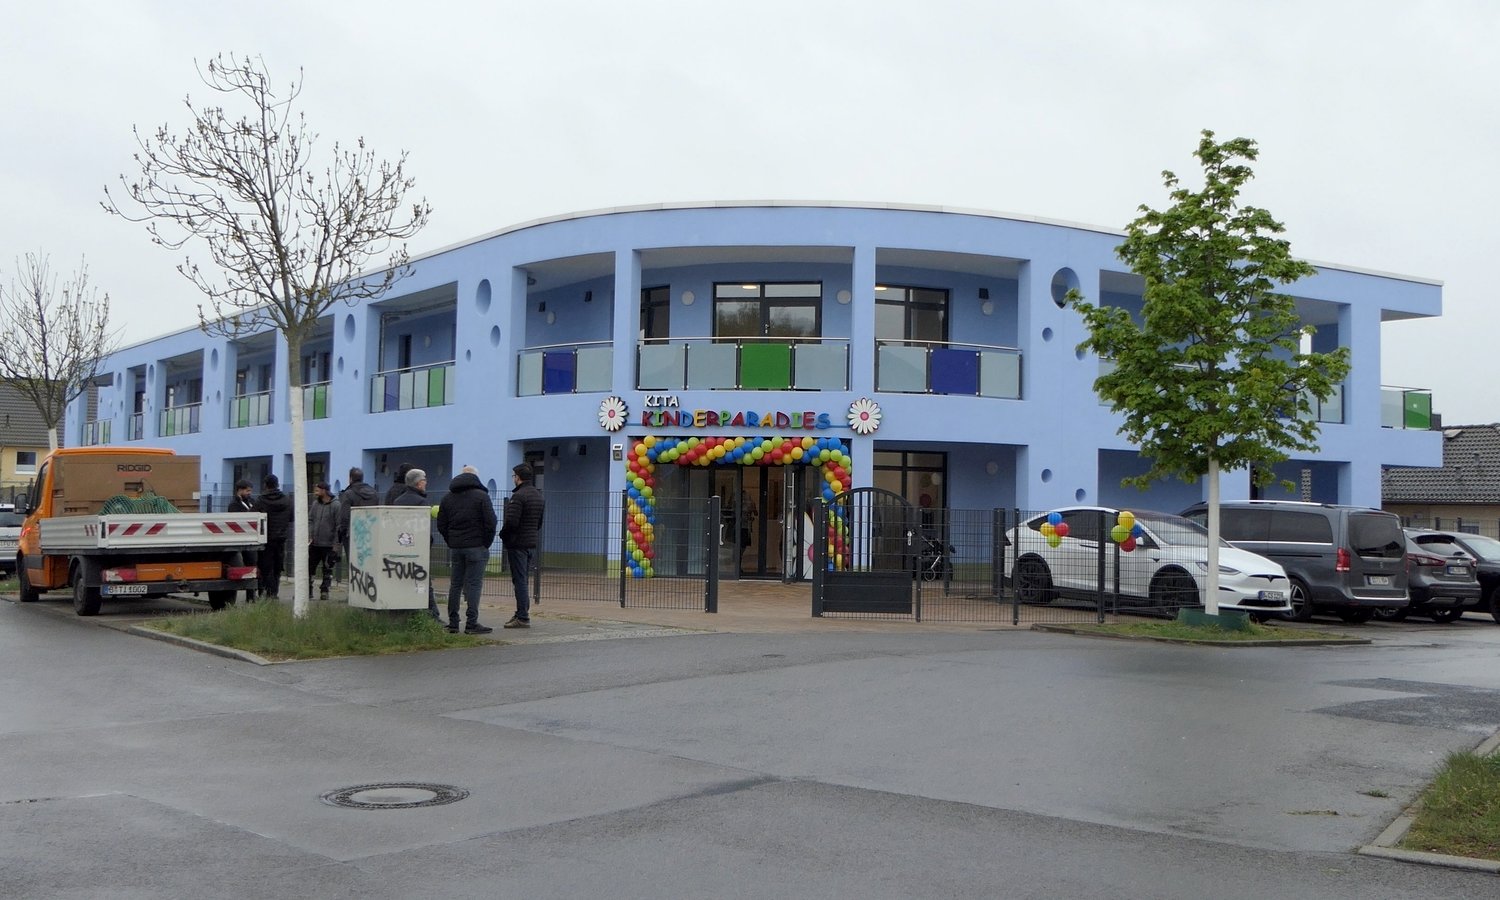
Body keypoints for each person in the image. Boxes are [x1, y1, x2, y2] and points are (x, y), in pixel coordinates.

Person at [436, 465, 497, 634]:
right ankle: (471, 623)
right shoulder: (482, 496)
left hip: (456, 547)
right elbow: (491, 522)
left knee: (455, 584)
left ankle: (453, 623)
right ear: (476, 477)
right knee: (474, 585)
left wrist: (451, 541)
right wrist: (485, 543)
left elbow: (441, 524)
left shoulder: (448, 497)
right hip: (477, 547)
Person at [391, 468, 443, 622]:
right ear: (419, 483)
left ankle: (404, 612)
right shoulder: (422, 502)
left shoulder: (397, 501)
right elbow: (424, 528)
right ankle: (432, 616)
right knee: (424, 581)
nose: (426, 483)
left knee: (403, 579)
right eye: (424, 480)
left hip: (401, 545)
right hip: (419, 546)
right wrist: (429, 542)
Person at [500, 463, 545, 628]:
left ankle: (522, 616)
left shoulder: (518, 496)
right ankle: (521, 613)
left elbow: (511, 522)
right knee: (523, 579)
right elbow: (539, 522)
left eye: (514, 476)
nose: (513, 478)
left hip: (517, 543)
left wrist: (504, 535)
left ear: (518, 477)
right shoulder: (538, 496)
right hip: (530, 542)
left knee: (519, 580)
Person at [255, 473, 292, 600]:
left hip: (266, 538)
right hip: (281, 538)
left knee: (266, 566)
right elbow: (292, 517)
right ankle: (274, 592)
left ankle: (269, 592)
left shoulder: (261, 500)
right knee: (278, 565)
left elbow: (252, 515)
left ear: (265, 485)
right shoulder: (286, 500)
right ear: (277, 484)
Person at [307, 482, 341, 601]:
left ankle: (324, 591)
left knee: (327, 568)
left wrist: (336, 544)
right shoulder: (315, 504)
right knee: (310, 567)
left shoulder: (336, 505)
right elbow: (310, 519)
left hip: (328, 544)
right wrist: (310, 534)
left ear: (324, 490)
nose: (315, 492)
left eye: (318, 489)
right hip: (314, 543)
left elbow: (338, 525)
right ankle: (308, 590)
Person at [228, 478, 259, 603]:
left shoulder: (251, 502)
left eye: (250, 491)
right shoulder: (234, 505)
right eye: (247, 491)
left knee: (253, 565)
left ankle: (252, 595)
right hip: (242, 539)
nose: (249, 493)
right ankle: (248, 595)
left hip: (253, 539)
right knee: (246, 565)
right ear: (239, 490)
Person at [338, 466, 379, 560]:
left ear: (350, 479)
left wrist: (343, 531)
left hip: (352, 532)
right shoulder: (374, 493)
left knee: (353, 560)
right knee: (369, 559)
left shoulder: (348, 494)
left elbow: (344, 516)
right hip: (370, 531)